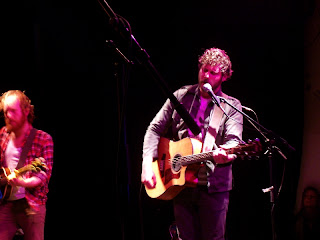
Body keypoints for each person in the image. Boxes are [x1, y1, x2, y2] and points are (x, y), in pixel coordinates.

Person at [141, 47, 243, 240]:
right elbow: (154, 129)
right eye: (204, 69)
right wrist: (147, 163)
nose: (206, 75)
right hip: (181, 185)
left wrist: (227, 154)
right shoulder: (180, 96)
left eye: (213, 73)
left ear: (224, 77)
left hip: (214, 187)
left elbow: (233, 142)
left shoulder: (231, 106)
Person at [0, 90, 53, 240]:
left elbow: (43, 176)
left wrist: (22, 182)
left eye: (12, 111)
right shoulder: (3, 134)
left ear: (26, 111)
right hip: (6, 204)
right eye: (5, 112)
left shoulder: (43, 139)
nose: (8, 116)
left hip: (32, 205)